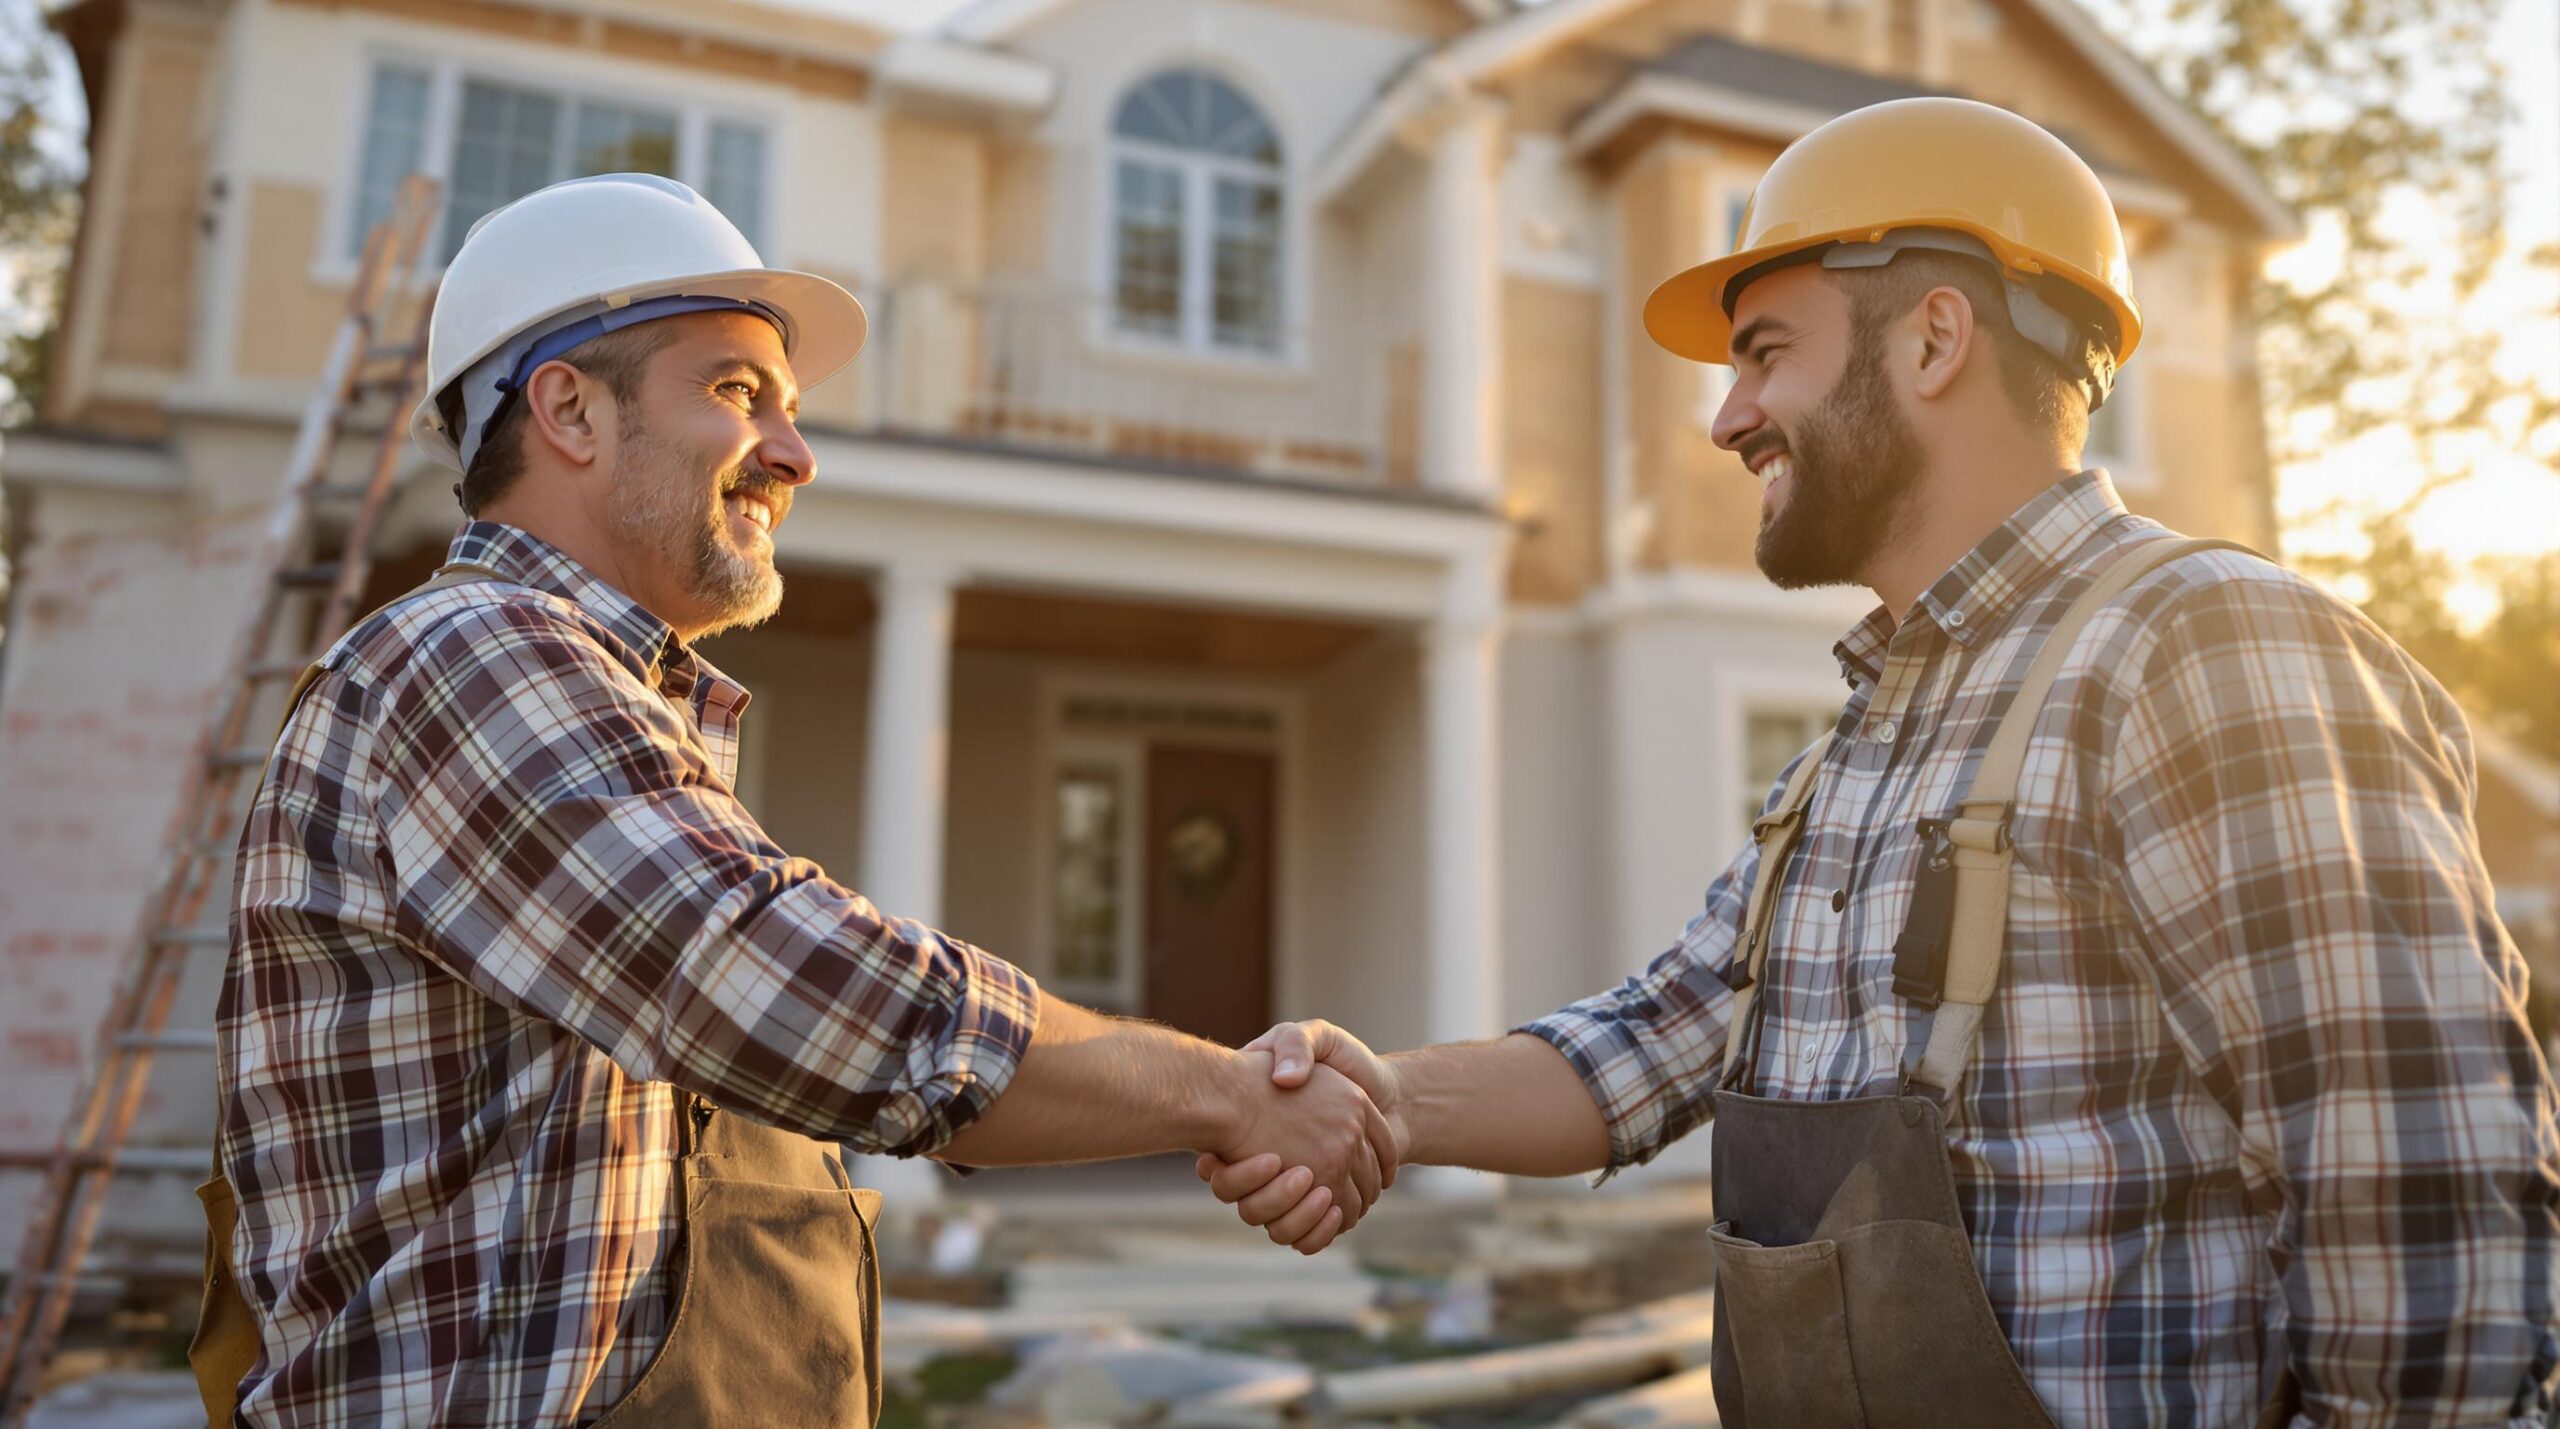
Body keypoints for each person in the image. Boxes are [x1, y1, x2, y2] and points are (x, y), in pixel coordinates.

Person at [1200, 97, 2560, 1426]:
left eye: (1764, 352)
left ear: (1933, 340)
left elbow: (2422, 1227)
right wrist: (1380, 1095)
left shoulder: (2208, 646)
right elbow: (1652, 1041)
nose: (1727, 419)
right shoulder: (1859, 746)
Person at [210, 173, 1393, 1427]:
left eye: (789, 405)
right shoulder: (473, 658)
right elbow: (796, 988)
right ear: (567, 410)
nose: (794, 452)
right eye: (735, 391)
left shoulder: (595, 697)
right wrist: (1226, 1091)